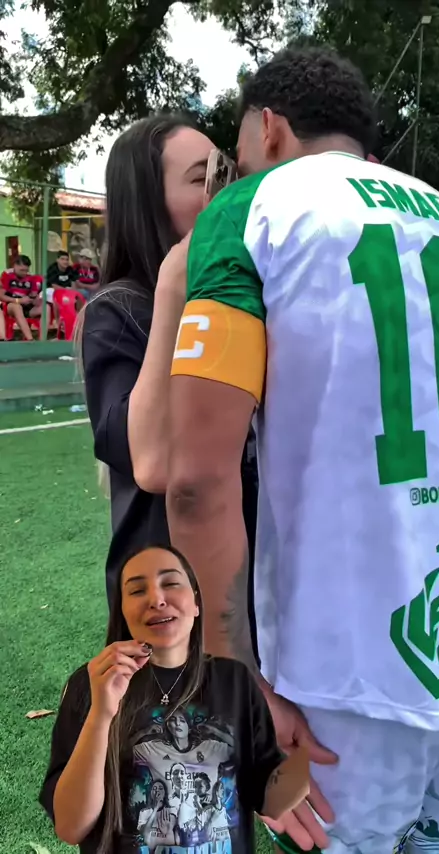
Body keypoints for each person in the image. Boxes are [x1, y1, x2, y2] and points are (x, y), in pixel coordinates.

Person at [167, 46, 439, 854]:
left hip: (347, 676)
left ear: (269, 129)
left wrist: (232, 681)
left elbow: (197, 481)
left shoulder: (253, 210)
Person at [79, 115, 260, 663]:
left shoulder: (238, 300)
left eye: (227, 175)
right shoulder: (117, 311)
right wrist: (175, 286)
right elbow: (154, 464)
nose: (225, 195)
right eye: (204, 179)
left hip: (246, 584)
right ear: (149, 205)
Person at [39, 543, 308, 854]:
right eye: (137, 591)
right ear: (122, 610)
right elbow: (71, 827)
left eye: (170, 583)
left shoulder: (234, 681)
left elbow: (270, 799)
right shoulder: (92, 684)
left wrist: (320, 756)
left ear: (196, 602)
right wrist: (101, 713)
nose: (157, 599)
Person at [0, 254, 49, 340]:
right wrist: (18, 300)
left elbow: (33, 295)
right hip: (10, 304)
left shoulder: (31, 277)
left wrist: (36, 300)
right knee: (17, 307)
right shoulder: (7, 275)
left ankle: (42, 340)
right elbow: (1, 296)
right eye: (22, 270)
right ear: (15, 265)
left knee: (46, 307)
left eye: (26, 270)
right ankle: (30, 339)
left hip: (27, 306)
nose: (24, 273)